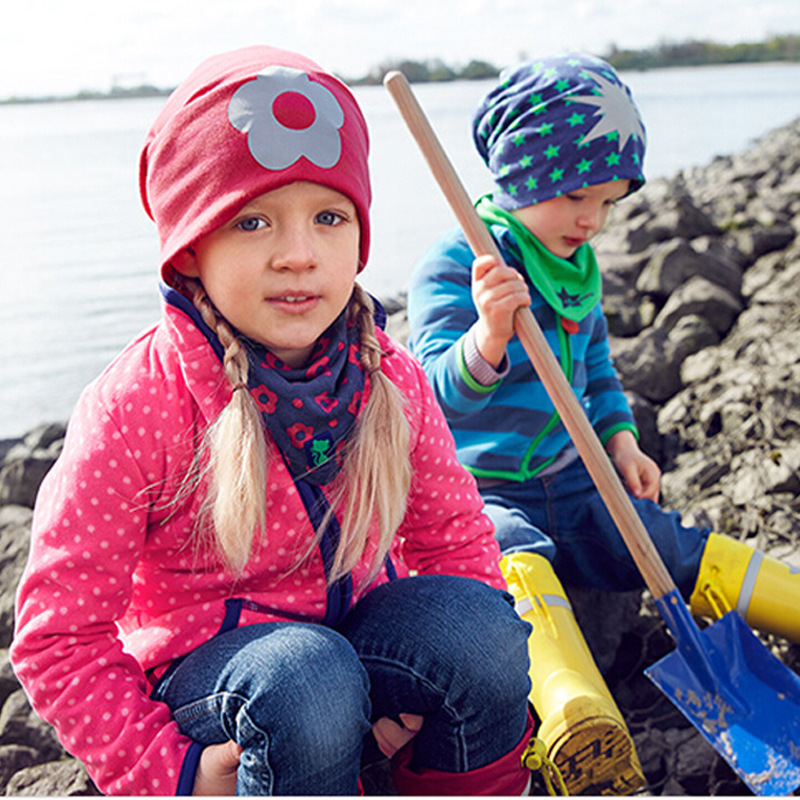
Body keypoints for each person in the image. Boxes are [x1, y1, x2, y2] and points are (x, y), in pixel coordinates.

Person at [10, 46, 536, 797]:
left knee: (481, 629)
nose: (299, 255)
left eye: (329, 216)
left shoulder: (388, 377)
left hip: (358, 656)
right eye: (253, 221)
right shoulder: (139, 406)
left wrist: (408, 707)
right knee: (305, 677)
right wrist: (174, 772)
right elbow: (60, 637)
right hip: (228, 687)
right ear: (191, 250)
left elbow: (453, 541)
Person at [406, 52, 800, 795]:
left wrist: (621, 441)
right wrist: (488, 337)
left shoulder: (576, 267)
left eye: (610, 202)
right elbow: (428, 396)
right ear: (521, 178)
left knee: (668, 544)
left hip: (577, 480)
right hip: (480, 493)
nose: (592, 219)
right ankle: (577, 720)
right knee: (514, 560)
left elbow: (598, 377)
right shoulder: (457, 264)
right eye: (576, 196)